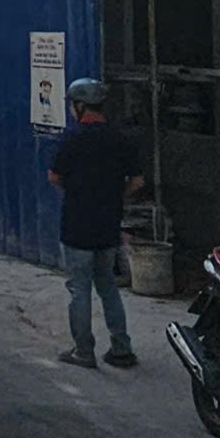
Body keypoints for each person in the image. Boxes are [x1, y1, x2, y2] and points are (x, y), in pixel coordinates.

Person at [47, 79, 143, 368]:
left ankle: (83, 351)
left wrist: (77, 193)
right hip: (108, 226)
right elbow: (137, 181)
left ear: (80, 106)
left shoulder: (72, 139)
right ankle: (122, 348)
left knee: (79, 289)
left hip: (77, 226)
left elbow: (54, 177)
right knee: (108, 287)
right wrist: (115, 197)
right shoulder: (120, 138)